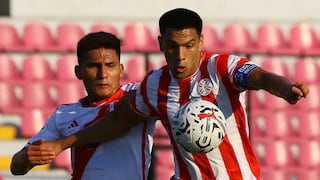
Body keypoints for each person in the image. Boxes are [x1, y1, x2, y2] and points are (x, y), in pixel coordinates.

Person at [33, 8, 309, 180]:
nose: (180, 55)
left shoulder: (220, 67)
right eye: (172, 47)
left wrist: (285, 88)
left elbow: (259, 77)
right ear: (160, 43)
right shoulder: (155, 84)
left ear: (200, 41)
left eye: (189, 45)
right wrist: (64, 143)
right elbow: (119, 120)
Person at [10, 31, 156, 180]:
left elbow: (119, 122)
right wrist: (26, 158)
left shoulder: (139, 94)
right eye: (94, 66)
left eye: (110, 65)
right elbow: (16, 167)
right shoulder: (64, 114)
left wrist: (61, 144)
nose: (103, 74)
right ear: (78, 72)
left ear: (121, 69)